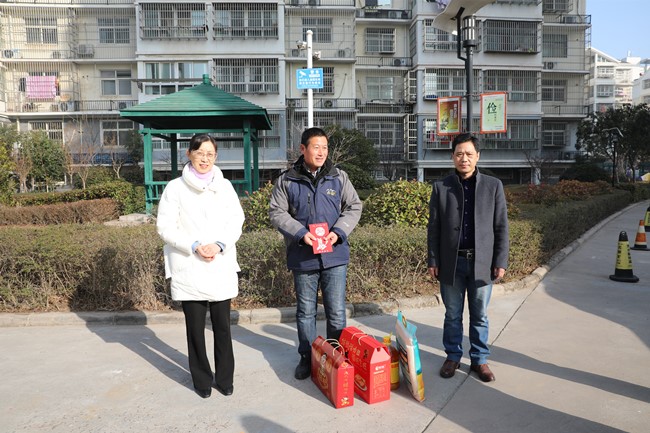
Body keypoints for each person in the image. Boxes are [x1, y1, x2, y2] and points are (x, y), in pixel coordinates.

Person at [269, 127, 362, 380]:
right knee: (306, 311)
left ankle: (336, 356)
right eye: (316, 147)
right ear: (303, 149)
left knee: (336, 311)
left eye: (325, 147)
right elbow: (277, 212)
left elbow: (354, 206)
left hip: (335, 256)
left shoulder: (338, 177)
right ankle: (307, 357)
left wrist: (338, 232)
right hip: (303, 256)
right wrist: (300, 233)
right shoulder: (287, 180)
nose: (321, 152)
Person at [156, 134, 245, 398]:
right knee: (195, 329)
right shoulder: (175, 188)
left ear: (215, 157)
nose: (204, 159)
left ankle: (225, 378)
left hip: (219, 262)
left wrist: (219, 244)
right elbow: (165, 226)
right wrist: (194, 245)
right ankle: (202, 380)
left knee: (222, 327)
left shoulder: (225, 186)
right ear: (189, 154)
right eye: (199, 153)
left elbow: (236, 220)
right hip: (189, 264)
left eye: (210, 154)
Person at [427, 133, 509, 383]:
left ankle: (479, 359)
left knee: (479, 315)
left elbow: (501, 226)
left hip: (482, 263)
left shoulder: (493, 186)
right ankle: (452, 356)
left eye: (469, 154)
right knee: (452, 314)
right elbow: (434, 228)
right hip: (451, 262)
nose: (464, 159)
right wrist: (433, 260)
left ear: (478, 156)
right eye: (459, 154)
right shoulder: (441, 187)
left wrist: (500, 261)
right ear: (452, 157)